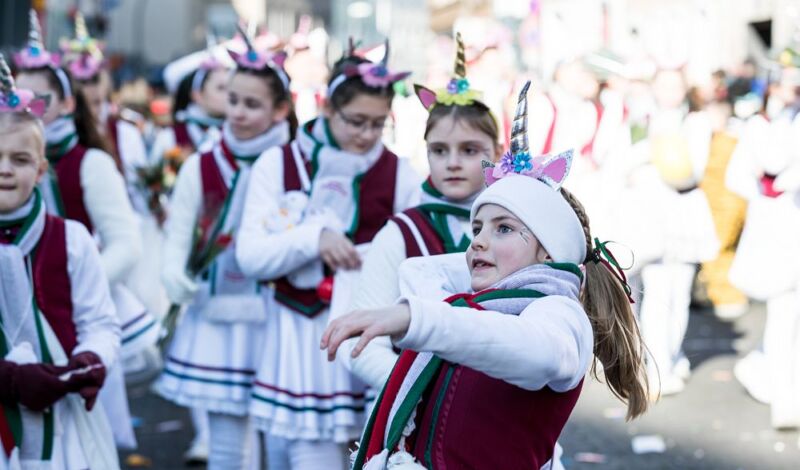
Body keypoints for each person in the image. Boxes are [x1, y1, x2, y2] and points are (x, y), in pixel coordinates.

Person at [322, 82, 649, 469]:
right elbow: (423, 275)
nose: (478, 241)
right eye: (477, 229)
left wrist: (416, 318)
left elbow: (536, 352)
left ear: (547, 249)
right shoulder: (472, 300)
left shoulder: (559, 313)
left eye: (504, 229)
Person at [235, 38, 419, 469]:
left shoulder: (399, 172)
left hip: (369, 339)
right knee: (305, 454)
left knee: (372, 451)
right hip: (301, 336)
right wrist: (311, 237)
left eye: (378, 124)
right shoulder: (276, 163)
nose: (367, 134)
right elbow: (250, 256)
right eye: (356, 120)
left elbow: (416, 257)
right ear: (328, 108)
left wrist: (376, 254)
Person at [153, 29, 294, 469]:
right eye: (233, 100)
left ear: (280, 110)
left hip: (280, 311)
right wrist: (174, 272)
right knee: (226, 442)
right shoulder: (202, 162)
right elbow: (180, 228)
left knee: (282, 436)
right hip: (218, 314)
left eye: (252, 104)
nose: (238, 113)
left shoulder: (296, 161)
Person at [337, 31, 501, 392]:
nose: (453, 163)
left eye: (470, 150)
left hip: (505, 409)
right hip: (415, 414)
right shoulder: (402, 232)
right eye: (440, 150)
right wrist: (423, 396)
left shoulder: (522, 227)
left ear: (499, 151)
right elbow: (360, 345)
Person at [14, 9, 145, 450]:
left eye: (42, 99)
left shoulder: (90, 163)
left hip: (71, 313)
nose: (29, 107)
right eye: (18, 94)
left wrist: (71, 283)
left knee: (79, 437)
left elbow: (126, 245)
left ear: (68, 103)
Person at [0, 52, 120, 470]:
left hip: (62, 417)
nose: (4, 171)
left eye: (19, 159)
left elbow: (100, 323)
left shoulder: (71, 239)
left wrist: (87, 364)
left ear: (41, 168)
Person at [727, 48, 800, 430]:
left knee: (791, 316)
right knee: (784, 310)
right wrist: (766, 191)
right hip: (775, 228)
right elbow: (745, 173)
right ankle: (784, 393)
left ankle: (776, 377)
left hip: (791, 222)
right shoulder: (757, 125)